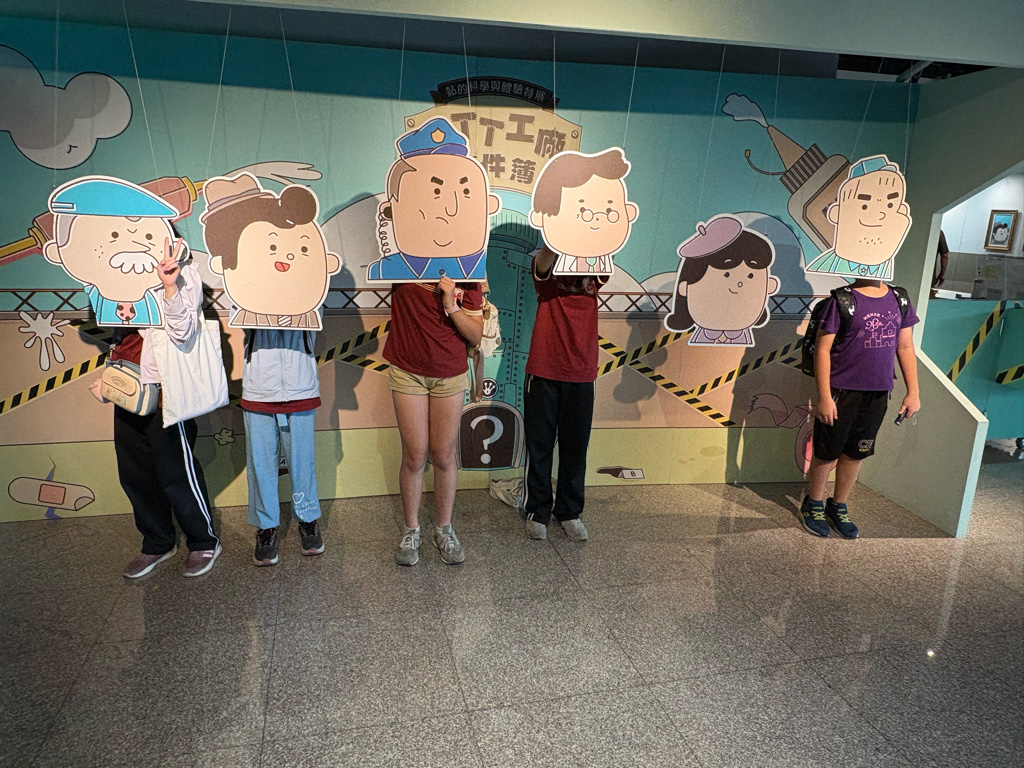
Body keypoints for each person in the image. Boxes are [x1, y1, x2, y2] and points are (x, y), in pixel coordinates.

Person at [89, 236, 222, 578]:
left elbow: (183, 332)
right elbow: (120, 333)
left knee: (176, 472)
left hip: (167, 391)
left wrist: (170, 285)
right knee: (135, 473)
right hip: (129, 388)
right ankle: (157, 542)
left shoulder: (184, 272)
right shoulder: (117, 274)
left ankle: (203, 540)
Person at [801, 279, 921, 539]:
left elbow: (905, 346)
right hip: (841, 391)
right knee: (827, 450)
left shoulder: (899, 298)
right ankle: (813, 503)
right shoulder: (841, 301)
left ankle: (838, 505)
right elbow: (823, 349)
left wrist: (914, 392)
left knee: (857, 451)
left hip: (878, 392)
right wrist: (824, 396)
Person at [385, 277, 483, 565]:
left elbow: (476, 335)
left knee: (443, 454)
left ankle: (444, 528)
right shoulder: (400, 266)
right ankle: (411, 529)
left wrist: (451, 305)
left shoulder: (469, 274)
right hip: (407, 370)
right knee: (414, 455)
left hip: (449, 372)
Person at [521, 245, 605, 541]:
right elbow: (542, 264)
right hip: (543, 368)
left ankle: (569, 511)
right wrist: (558, 237)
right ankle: (537, 510)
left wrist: (590, 236)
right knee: (539, 444)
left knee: (576, 446)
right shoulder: (546, 267)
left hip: (582, 371)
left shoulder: (596, 266)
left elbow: (607, 252)